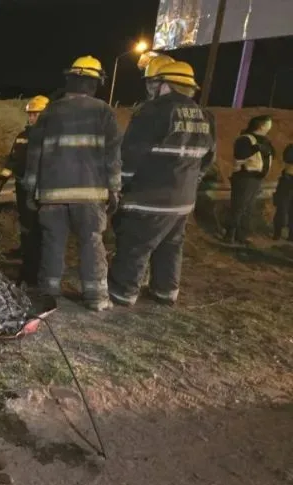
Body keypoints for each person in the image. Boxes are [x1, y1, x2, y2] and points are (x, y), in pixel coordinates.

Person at [108, 61, 216, 307]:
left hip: (149, 198)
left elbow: (131, 156)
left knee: (135, 245)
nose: (151, 89)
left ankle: (123, 292)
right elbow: (208, 159)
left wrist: (118, 186)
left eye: (153, 83)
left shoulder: (153, 111)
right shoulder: (205, 116)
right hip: (183, 201)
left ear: (164, 85)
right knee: (170, 246)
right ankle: (165, 291)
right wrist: (189, 184)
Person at [24, 56, 122, 311]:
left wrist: (29, 191)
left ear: (70, 80)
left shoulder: (50, 111)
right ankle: (96, 297)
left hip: (52, 196)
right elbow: (113, 157)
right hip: (90, 196)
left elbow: (34, 156)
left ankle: (49, 294)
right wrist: (114, 189)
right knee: (91, 242)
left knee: (53, 243)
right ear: (95, 82)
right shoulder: (104, 112)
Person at [0, 95, 50, 285]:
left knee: (37, 229)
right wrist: (2, 178)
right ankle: (26, 252)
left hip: (41, 190)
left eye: (36, 114)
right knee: (26, 223)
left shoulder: (50, 139)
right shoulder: (22, 136)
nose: (32, 118)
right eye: (30, 114)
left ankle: (34, 268)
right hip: (22, 186)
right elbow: (13, 159)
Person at [224, 115, 274, 244]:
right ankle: (230, 234)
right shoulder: (245, 139)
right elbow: (239, 156)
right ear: (262, 125)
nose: (271, 126)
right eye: (269, 123)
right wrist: (256, 148)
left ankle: (241, 235)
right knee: (239, 206)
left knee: (248, 208)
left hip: (256, 179)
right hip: (245, 176)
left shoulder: (264, 140)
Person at [273, 144, 293, 240]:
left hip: (287, 179)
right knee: (282, 207)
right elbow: (288, 159)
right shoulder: (290, 148)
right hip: (288, 180)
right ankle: (277, 233)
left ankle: (290, 235)